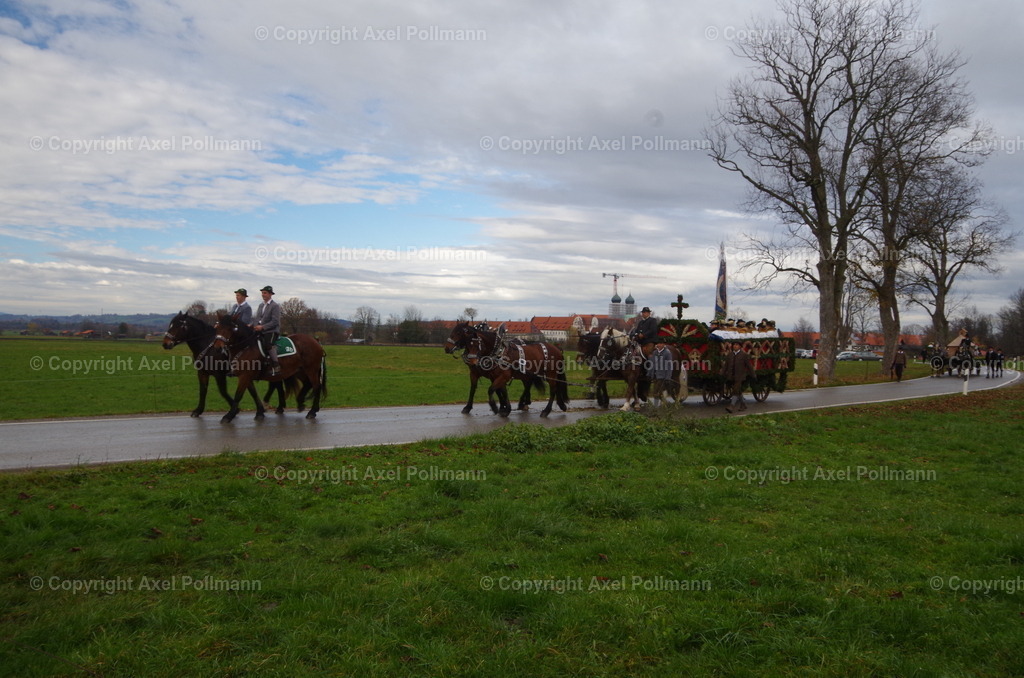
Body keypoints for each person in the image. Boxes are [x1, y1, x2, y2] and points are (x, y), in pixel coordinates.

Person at [252, 285, 281, 375]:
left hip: (271, 331)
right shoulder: (261, 305)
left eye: (265, 293)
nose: (263, 295)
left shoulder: (275, 306)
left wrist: (263, 327)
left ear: (270, 294)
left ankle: (276, 365)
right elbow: (257, 318)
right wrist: (254, 326)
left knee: (268, 343)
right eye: (262, 293)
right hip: (260, 330)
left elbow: (275, 321)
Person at [721, 340, 754, 413]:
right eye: (734, 345)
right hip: (731, 376)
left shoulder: (744, 355)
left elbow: (749, 366)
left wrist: (753, 375)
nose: (735, 346)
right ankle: (743, 405)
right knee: (738, 391)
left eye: (737, 345)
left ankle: (731, 406)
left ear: (740, 346)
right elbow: (726, 365)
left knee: (735, 390)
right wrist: (722, 373)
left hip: (740, 376)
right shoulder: (730, 355)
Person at [646, 340, 676, 406]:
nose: (659, 345)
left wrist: (668, 377)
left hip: (663, 375)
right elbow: (652, 364)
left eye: (660, 344)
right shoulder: (655, 352)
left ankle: (656, 407)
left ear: (663, 345)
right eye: (658, 344)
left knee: (656, 392)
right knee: (658, 392)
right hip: (655, 375)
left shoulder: (667, 353)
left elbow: (669, 366)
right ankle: (666, 403)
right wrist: (649, 374)